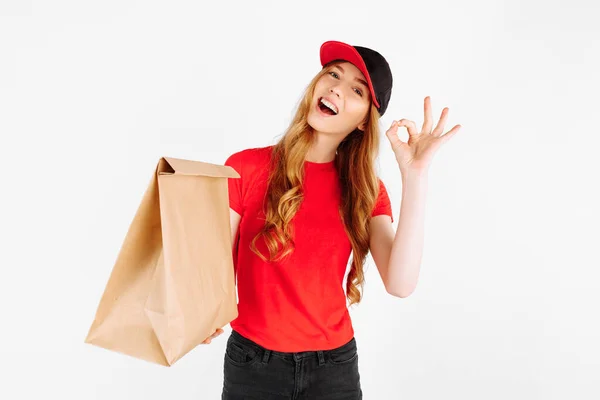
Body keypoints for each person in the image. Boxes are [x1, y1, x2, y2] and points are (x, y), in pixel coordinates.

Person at [206, 40, 461, 399]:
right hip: (253, 364)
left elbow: (400, 283)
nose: (336, 89)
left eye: (356, 90)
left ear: (363, 122)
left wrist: (415, 175)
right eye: (333, 74)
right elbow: (208, 268)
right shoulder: (244, 167)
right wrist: (200, 312)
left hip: (333, 369)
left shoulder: (367, 190)